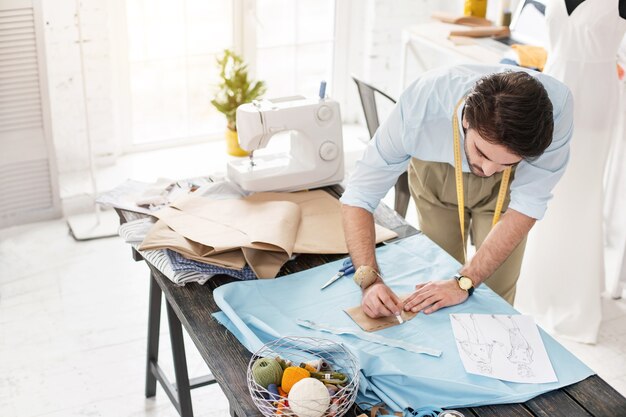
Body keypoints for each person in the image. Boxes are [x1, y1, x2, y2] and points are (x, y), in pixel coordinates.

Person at [340, 64, 573, 319]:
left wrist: (465, 281)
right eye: (482, 153)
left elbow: (526, 206)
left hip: (509, 188)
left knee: (495, 295)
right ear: (466, 119)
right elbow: (360, 194)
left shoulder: (556, 112)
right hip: (438, 169)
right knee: (436, 278)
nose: (488, 170)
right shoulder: (422, 105)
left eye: (506, 161)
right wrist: (369, 282)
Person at [516, 0, 626, 343]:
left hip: (593, 99)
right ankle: (536, 290)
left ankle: (574, 300)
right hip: (550, 92)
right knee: (547, 193)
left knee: (580, 196)